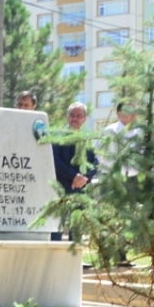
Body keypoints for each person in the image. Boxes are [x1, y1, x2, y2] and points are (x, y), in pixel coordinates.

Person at [50, 102, 97, 241]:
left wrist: (85, 178)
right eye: (72, 115)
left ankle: (74, 257)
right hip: (60, 186)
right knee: (56, 226)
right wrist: (73, 176)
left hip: (80, 188)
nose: (75, 118)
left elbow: (95, 163)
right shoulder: (58, 136)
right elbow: (55, 160)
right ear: (67, 117)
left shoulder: (88, 138)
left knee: (76, 226)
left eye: (79, 116)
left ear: (84, 119)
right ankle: (53, 259)